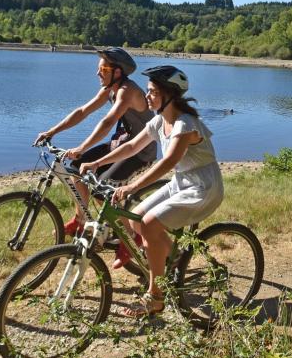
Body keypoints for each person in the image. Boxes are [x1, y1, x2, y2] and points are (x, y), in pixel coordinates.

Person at [80, 65, 224, 317]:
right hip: (182, 182)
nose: (147, 96)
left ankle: (156, 297)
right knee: (135, 217)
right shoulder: (159, 120)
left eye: (153, 92)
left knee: (148, 223)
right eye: (148, 91)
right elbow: (133, 146)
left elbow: (168, 162)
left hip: (204, 187)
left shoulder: (185, 124)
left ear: (170, 95)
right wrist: (97, 163)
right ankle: (175, 258)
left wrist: (133, 186)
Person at [35, 47, 155, 235]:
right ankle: (80, 220)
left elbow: (108, 122)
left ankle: (131, 237)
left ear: (117, 72)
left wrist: (82, 147)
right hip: (122, 144)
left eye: (103, 69)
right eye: (99, 68)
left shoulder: (127, 91)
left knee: (103, 191)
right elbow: (83, 111)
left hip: (141, 151)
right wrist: (52, 131)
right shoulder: (109, 90)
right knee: (76, 168)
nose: (97, 73)